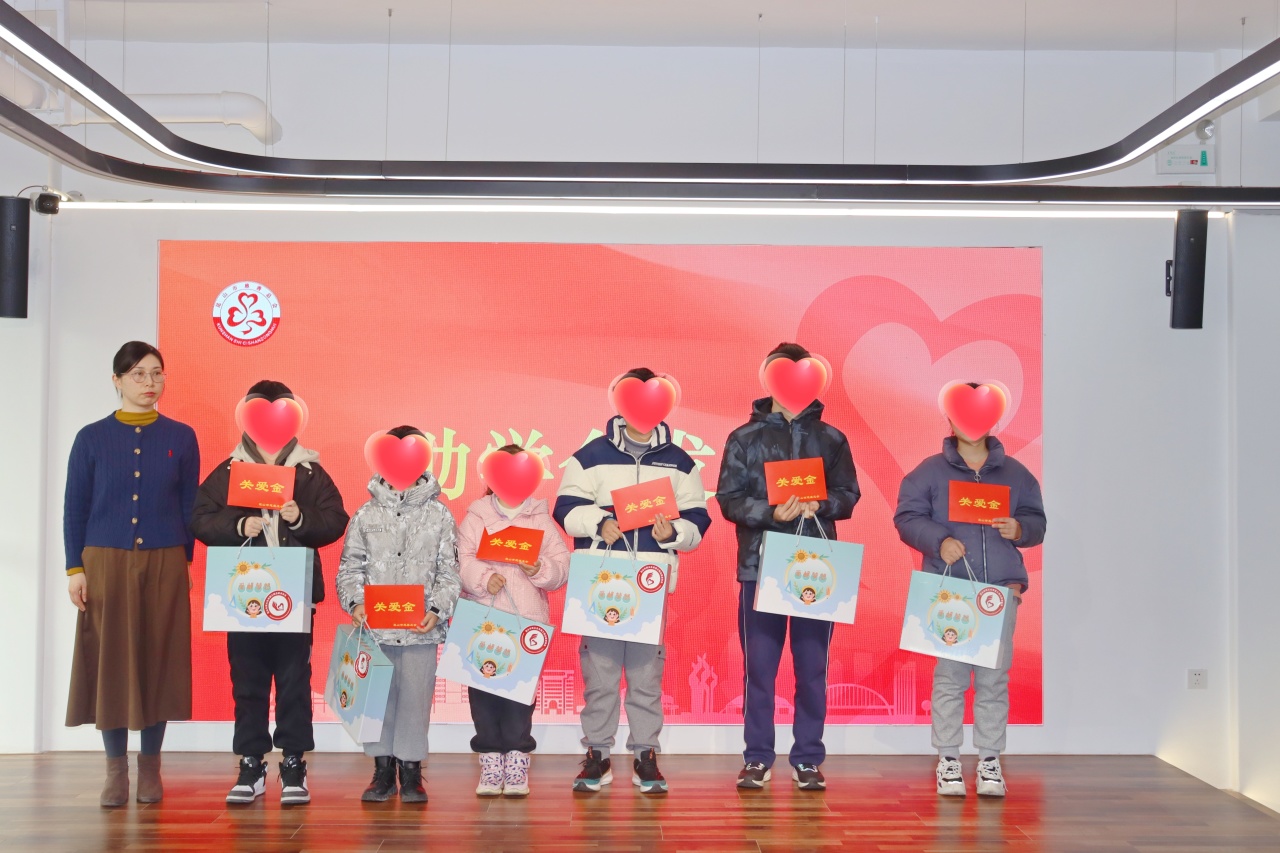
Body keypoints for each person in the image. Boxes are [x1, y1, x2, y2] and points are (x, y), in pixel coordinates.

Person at [191, 380, 349, 806]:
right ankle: (252, 763)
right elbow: (200, 518)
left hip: (293, 596)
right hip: (243, 596)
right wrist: (238, 525)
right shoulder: (230, 470)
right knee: (248, 681)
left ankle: (293, 762)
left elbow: (336, 520)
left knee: (295, 681)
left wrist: (300, 518)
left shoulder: (309, 471)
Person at [554, 368, 712, 794]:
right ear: (620, 404)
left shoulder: (680, 461)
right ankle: (598, 754)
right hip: (600, 582)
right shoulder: (590, 455)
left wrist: (674, 532)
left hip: (649, 585)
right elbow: (565, 506)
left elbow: (698, 517)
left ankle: (646, 754)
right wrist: (597, 522)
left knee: (645, 677)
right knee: (600, 675)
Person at [716, 342, 860, 791]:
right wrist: (770, 512)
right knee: (759, 669)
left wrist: (822, 503)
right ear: (769, 379)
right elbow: (729, 500)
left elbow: (849, 495)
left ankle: (808, 758)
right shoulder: (744, 438)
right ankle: (757, 757)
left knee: (813, 668)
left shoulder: (832, 438)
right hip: (760, 567)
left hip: (818, 569)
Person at [64, 341, 200, 808]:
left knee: (157, 658)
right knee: (112, 662)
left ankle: (151, 768)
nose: (149, 383)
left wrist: (186, 561)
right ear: (117, 380)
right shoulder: (91, 438)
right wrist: (75, 568)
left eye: (157, 373)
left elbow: (189, 507)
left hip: (165, 561)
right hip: (105, 561)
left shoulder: (182, 437)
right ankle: (115, 770)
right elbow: (75, 507)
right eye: (138, 374)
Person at [893, 384, 1046, 798]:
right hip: (951, 592)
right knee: (951, 678)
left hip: (999, 591)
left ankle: (990, 759)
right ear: (949, 419)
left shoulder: (1016, 474)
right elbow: (907, 517)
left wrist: (1021, 528)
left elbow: (1036, 522)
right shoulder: (928, 472)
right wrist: (938, 541)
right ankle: (948, 759)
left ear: (994, 420)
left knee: (994, 679)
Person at [336, 425, 461, 804]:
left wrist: (437, 610)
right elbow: (349, 568)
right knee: (377, 699)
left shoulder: (440, 515)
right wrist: (356, 603)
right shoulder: (365, 515)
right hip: (375, 629)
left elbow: (450, 571)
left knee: (415, 700)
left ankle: (410, 771)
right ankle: (381, 771)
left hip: (421, 628)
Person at [457, 443, 571, 797]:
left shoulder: (540, 518)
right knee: (483, 694)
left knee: (520, 698)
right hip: (483, 620)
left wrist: (540, 569)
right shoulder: (477, 517)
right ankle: (491, 761)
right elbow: (460, 559)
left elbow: (562, 565)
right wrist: (481, 577)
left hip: (526, 622)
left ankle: (517, 760)